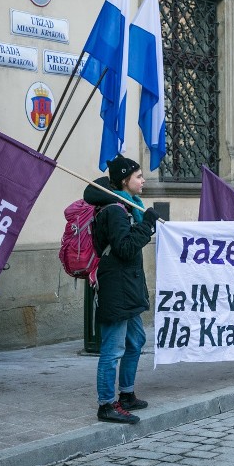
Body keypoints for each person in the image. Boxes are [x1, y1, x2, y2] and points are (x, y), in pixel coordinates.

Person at [84, 155, 159, 424]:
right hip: (116, 288)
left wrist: (142, 222)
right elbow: (125, 248)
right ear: (125, 181)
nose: (143, 180)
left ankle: (126, 394)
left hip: (127, 288)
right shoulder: (114, 210)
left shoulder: (128, 207)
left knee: (136, 341)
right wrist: (147, 226)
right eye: (138, 176)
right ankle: (106, 404)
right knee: (112, 348)